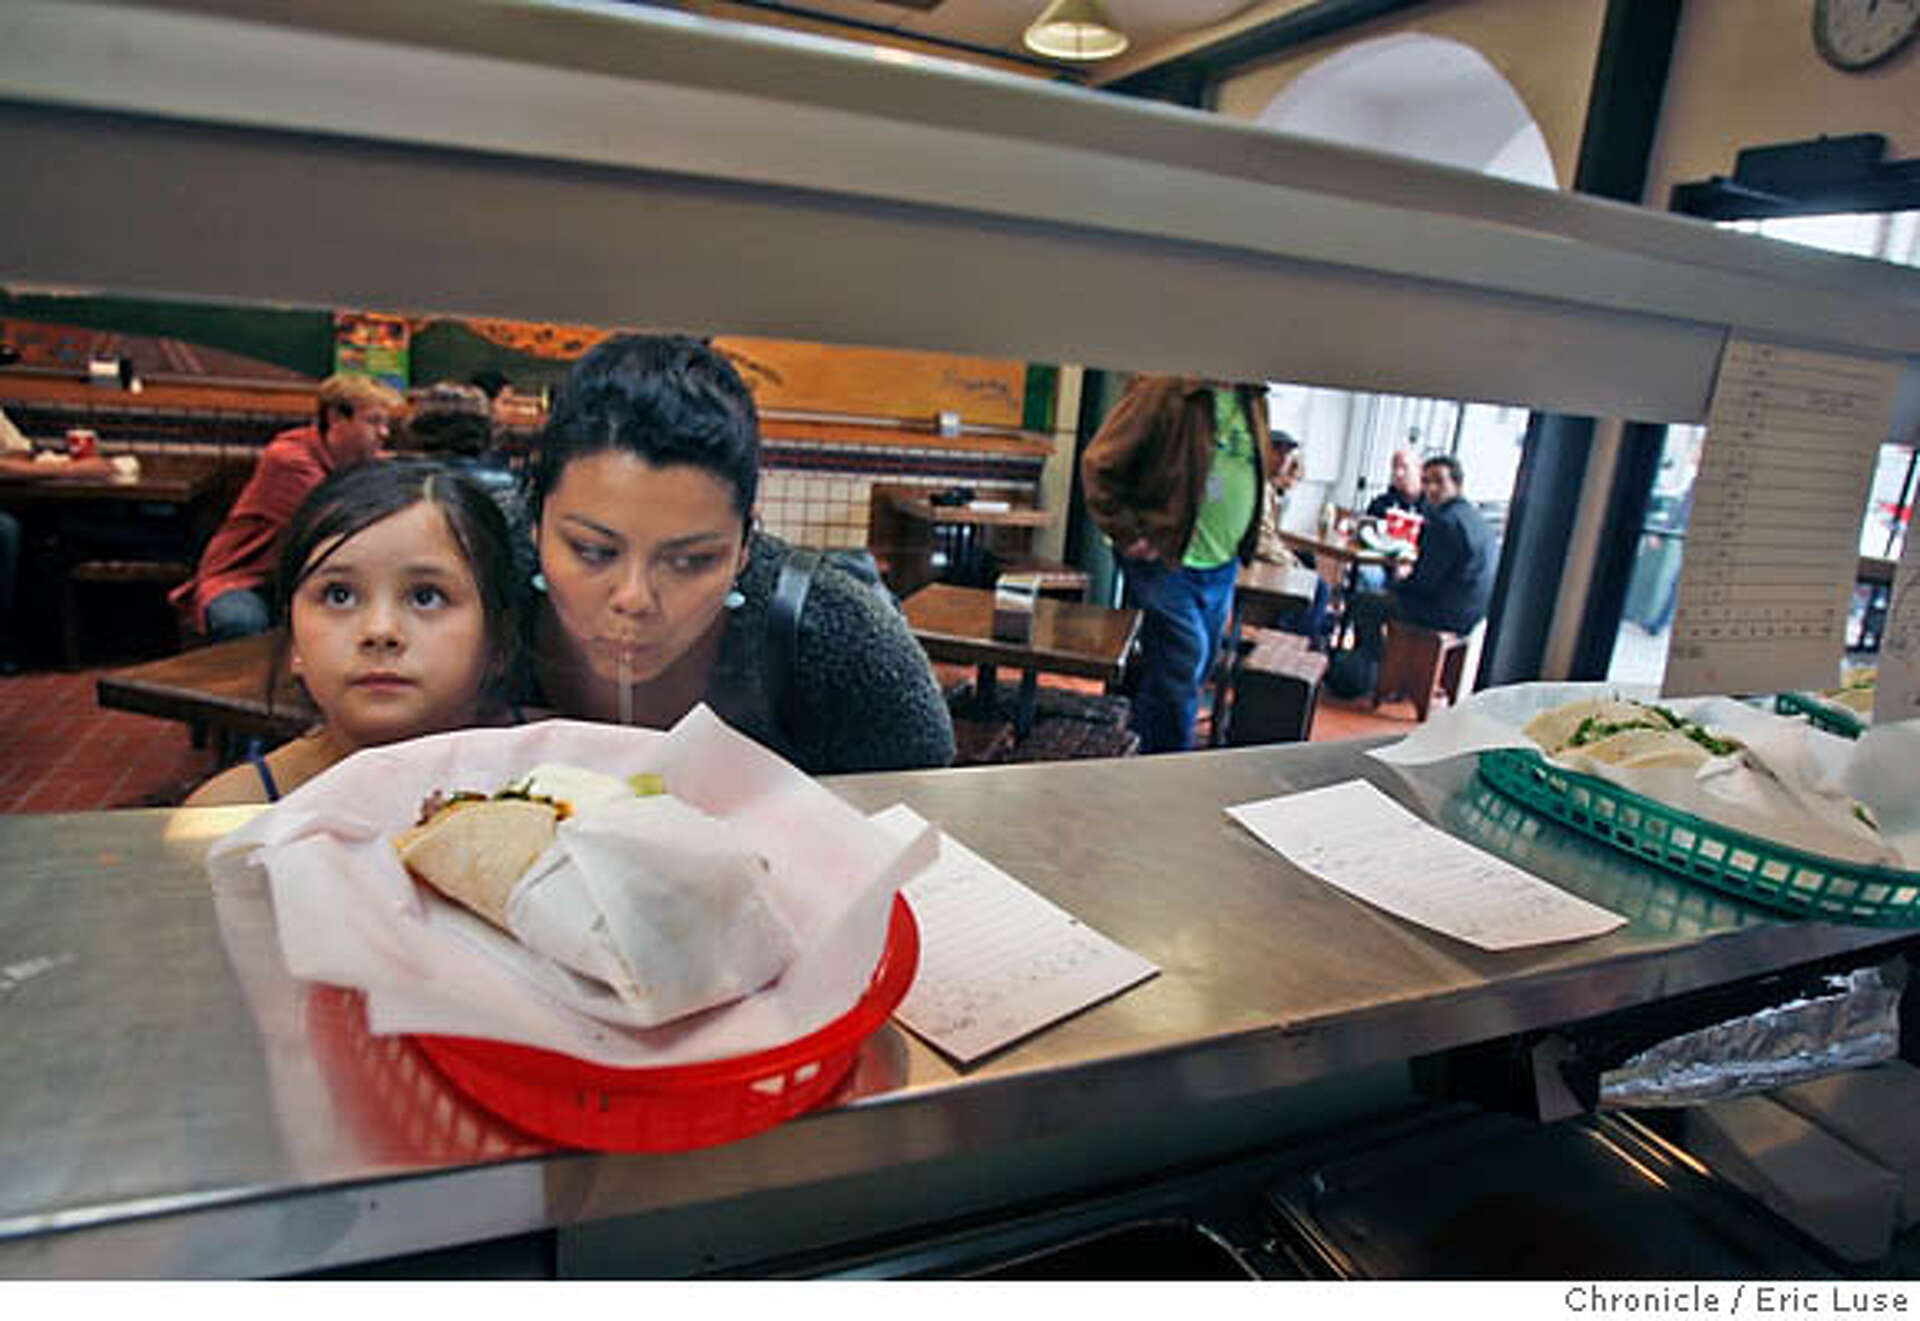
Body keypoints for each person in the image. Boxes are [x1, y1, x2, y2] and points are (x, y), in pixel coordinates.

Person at [522, 332, 954, 774]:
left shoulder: (841, 643)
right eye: (593, 551)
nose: (634, 598)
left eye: (691, 561)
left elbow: (921, 804)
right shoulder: (476, 573)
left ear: (746, 545)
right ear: (534, 523)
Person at [184, 460, 524, 806]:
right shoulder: (231, 814)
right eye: (339, 595)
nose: (379, 631)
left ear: (500, 640)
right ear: (293, 643)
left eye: (426, 597)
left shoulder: (556, 772)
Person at [1081, 374, 1272, 753]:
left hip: (1221, 564)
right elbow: (1099, 463)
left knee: (1188, 674)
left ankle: (1137, 753)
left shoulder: (1254, 397)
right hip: (1166, 562)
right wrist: (1128, 534)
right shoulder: (1164, 388)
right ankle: (1169, 774)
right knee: (1182, 669)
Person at [171, 372, 402, 641]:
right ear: (336, 418)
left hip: (304, 582)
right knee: (240, 622)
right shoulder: (289, 459)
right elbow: (335, 524)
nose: (384, 433)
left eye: (386, 423)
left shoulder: (360, 462)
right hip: (249, 580)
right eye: (373, 422)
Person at [1347, 453, 1495, 676]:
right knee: (1381, 595)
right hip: (1473, 611)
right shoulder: (1477, 519)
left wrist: (1396, 584)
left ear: (1457, 483)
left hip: (1445, 612)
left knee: (1363, 602)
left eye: (1439, 481)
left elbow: (1423, 584)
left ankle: (1373, 671)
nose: (1431, 488)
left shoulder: (1444, 522)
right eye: (1426, 482)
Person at [1253, 432, 1334, 650]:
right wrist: (1289, 561)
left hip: (1262, 556)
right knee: (1318, 587)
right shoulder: (1256, 484)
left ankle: (1296, 635)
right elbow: (1260, 541)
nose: (1282, 459)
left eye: (1287, 453)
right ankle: (1291, 648)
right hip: (1252, 561)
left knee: (1311, 573)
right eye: (1277, 451)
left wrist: (1289, 559)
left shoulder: (1267, 485)